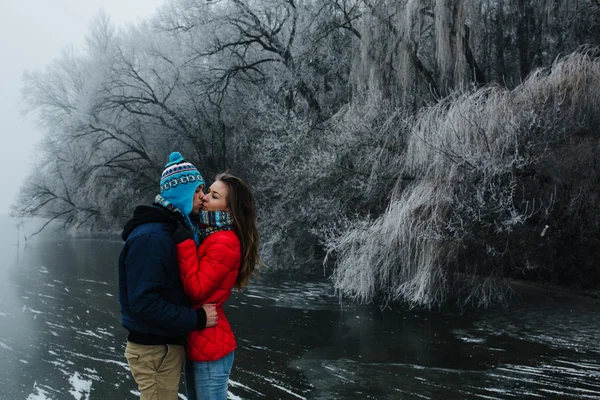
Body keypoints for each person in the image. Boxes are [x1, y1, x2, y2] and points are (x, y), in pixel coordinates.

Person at [118, 152, 218, 400]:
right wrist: (196, 318)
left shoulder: (171, 231)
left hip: (161, 347)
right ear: (181, 193)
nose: (203, 197)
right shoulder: (153, 237)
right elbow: (143, 303)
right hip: (154, 350)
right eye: (197, 191)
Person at [173, 172, 260, 400]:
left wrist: (184, 243)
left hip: (211, 347)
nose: (204, 198)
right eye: (208, 192)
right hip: (202, 340)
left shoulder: (223, 242)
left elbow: (197, 289)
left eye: (214, 196)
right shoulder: (210, 234)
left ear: (228, 209)